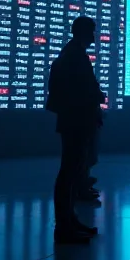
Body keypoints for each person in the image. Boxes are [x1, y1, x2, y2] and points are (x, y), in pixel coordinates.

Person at [46, 16, 105, 244]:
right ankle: (65, 225)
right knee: (69, 172)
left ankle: (70, 220)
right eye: (92, 32)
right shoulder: (75, 55)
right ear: (83, 32)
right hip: (76, 121)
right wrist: (95, 96)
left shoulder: (72, 53)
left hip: (76, 120)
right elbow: (79, 89)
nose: (94, 37)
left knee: (72, 171)